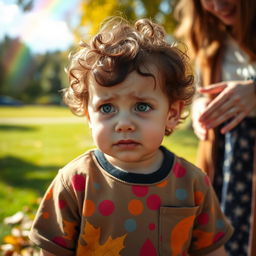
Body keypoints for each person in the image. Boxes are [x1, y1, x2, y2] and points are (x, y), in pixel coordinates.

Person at [29, 17, 233, 256]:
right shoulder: (75, 182)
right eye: (107, 108)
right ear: (88, 116)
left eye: (142, 106)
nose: (124, 124)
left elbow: (213, 251)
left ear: (172, 113)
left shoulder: (192, 183)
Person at [174, 0, 256, 255]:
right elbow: (200, 92)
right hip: (226, 162)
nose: (217, 5)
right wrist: (199, 108)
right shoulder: (210, 38)